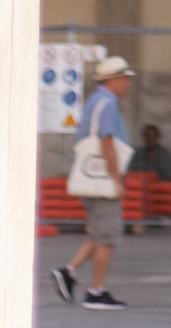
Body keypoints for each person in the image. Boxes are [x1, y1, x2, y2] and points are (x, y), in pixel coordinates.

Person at [55, 52, 134, 307]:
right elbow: (106, 142)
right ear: (113, 79)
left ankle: (68, 272)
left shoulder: (97, 101)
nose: (128, 84)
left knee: (101, 232)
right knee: (107, 236)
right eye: (124, 79)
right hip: (100, 181)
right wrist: (116, 180)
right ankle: (96, 292)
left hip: (92, 179)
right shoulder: (107, 103)